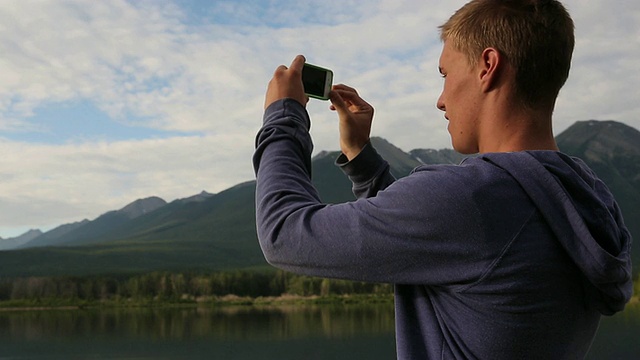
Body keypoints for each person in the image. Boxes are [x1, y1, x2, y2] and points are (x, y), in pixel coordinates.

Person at [253, 0, 633, 358]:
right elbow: (450, 241)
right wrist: (361, 158)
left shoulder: (473, 198)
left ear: (488, 66)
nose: (441, 99)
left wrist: (283, 116)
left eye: (446, 74)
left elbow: (284, 234)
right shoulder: (577, 199)